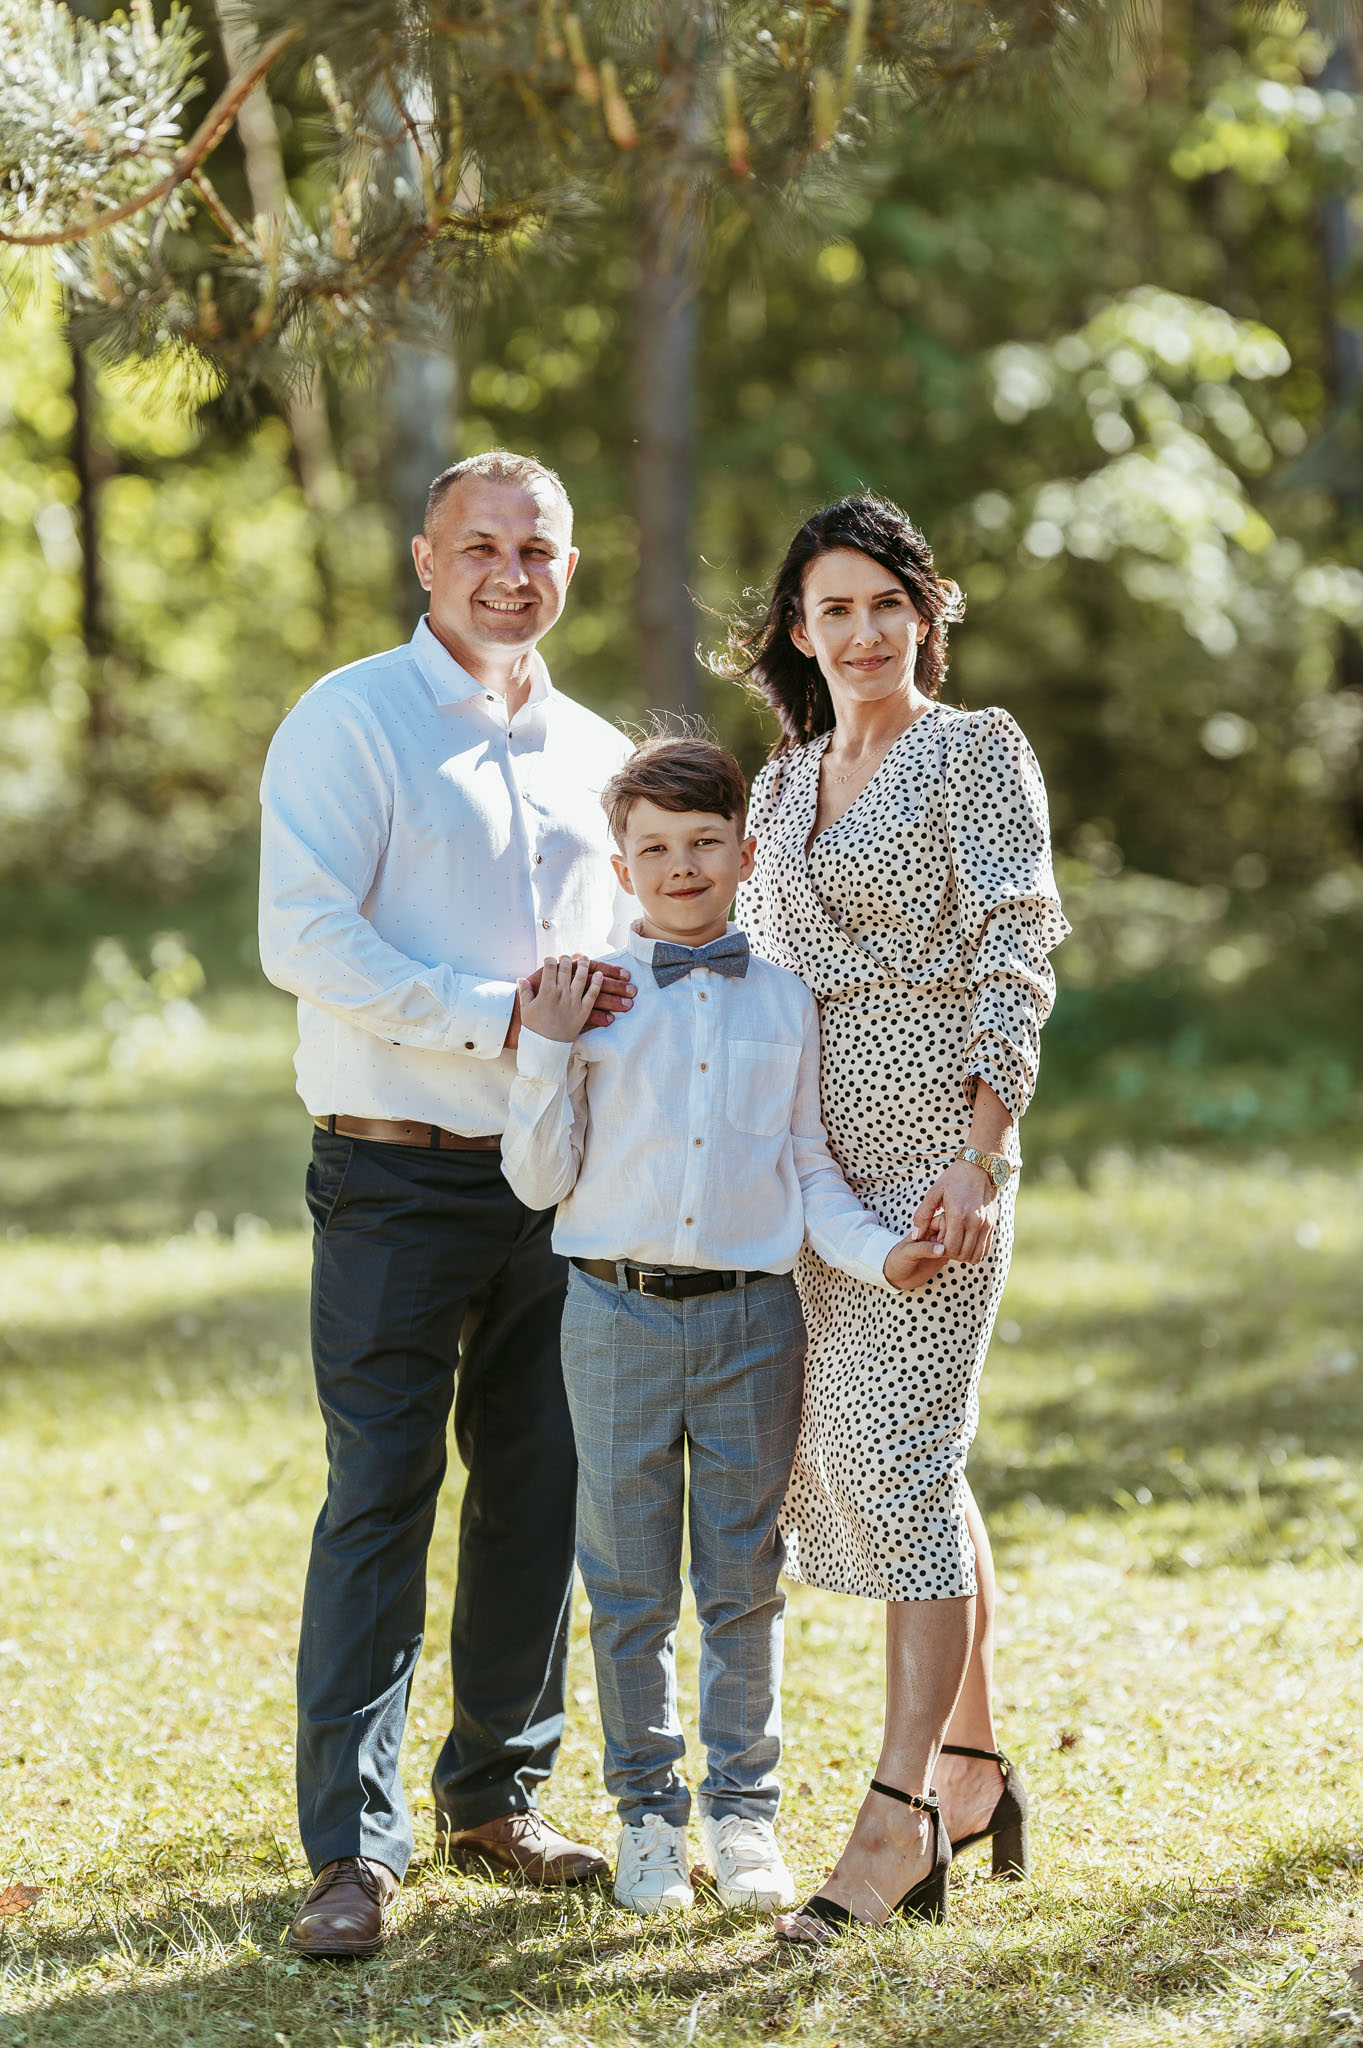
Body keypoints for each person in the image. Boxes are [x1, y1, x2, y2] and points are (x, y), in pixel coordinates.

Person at [258, 450, 637, 1959]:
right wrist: (498, 1019)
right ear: (425, 560)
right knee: (379, 1493)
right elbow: (303, 936)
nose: (507, 574)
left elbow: (634, 961)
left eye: (534, 550)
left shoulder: (599, 751)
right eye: (478, 546)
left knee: (538, 1487)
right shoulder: (350, 718)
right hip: (393, 1172)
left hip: (561, 1180)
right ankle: (351, 1851)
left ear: (567, 569)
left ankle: (496, 1795)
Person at [499, 734, 950, 1919]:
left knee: (743, 1578)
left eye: (705, 842)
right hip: (613, 1315)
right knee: (628, 1581)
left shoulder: (787, 1001)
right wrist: (545, 1046)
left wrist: (879, 1250)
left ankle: (743, 1814)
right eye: (655, 848)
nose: (682, 865)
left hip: (755, 1319)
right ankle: (647, 1816)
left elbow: (805, 1166)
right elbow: (538, 1178)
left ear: (747, 855)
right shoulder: (587, 996)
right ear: (621, 866)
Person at [723, 494, 1069, 1943]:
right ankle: (974, 1772)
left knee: (894, 1459)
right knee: (896, 1466)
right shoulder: (777, 784)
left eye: (884, 604)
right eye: (833, 610)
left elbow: (1014, 947)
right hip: (811, 1172)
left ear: (924, 615)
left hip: (936, 1158)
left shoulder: (974, 751)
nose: (861, 632)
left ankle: (895, 1817)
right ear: (798, 634)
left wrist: (981, 1151)